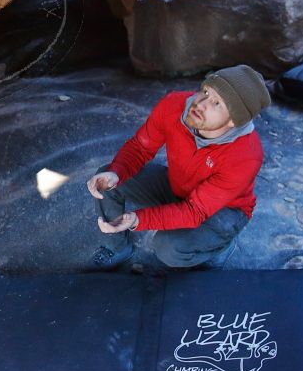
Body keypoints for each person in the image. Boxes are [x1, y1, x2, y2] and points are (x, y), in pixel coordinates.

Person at [87, 65, 271, 269]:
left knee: (169, 248)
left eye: (217, 103)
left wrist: (136, 220)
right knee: (108, 181)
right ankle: (117, 247)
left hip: (222, 210)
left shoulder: (245, 156)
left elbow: (194, 211)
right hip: (179, 186)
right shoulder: (175, 105)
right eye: (206, 91)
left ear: (233, 121)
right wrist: (116, 172)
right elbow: (141, 147)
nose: (200, 104)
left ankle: (219, 247)